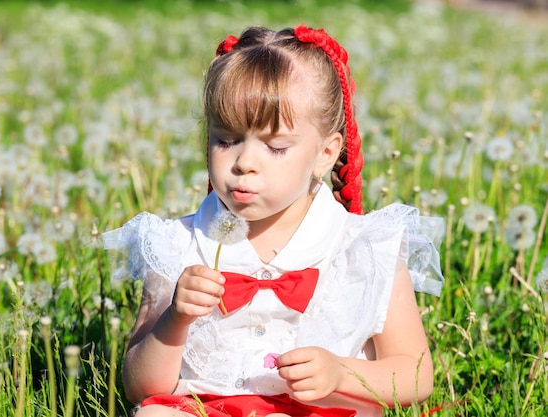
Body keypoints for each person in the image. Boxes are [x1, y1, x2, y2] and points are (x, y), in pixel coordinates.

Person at [104, 25, 444, 417]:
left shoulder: (364, 247)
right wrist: (174, 319)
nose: (244, 162)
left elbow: (416, 376)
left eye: (276, 146)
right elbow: (141, 386)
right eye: (225, 140)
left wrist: (341, 374)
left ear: (326, 154)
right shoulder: (177, 245)